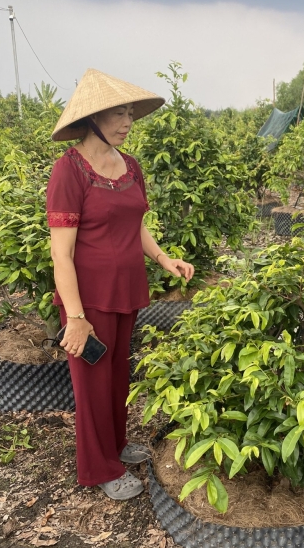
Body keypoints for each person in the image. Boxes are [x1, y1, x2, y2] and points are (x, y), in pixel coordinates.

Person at [47, 68, 194, 500]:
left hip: (126, 290)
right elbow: (61, 254)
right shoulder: (69, 171)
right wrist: (74, 317)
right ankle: (99, 468)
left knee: (115, 375)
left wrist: (164, 258)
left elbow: (136, 225)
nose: (128, 121)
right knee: (91, 383)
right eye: (118, 113)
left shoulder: (129, 165)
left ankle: (114, 446)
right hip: (88, 299)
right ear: (92, 117)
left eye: (130, 113)